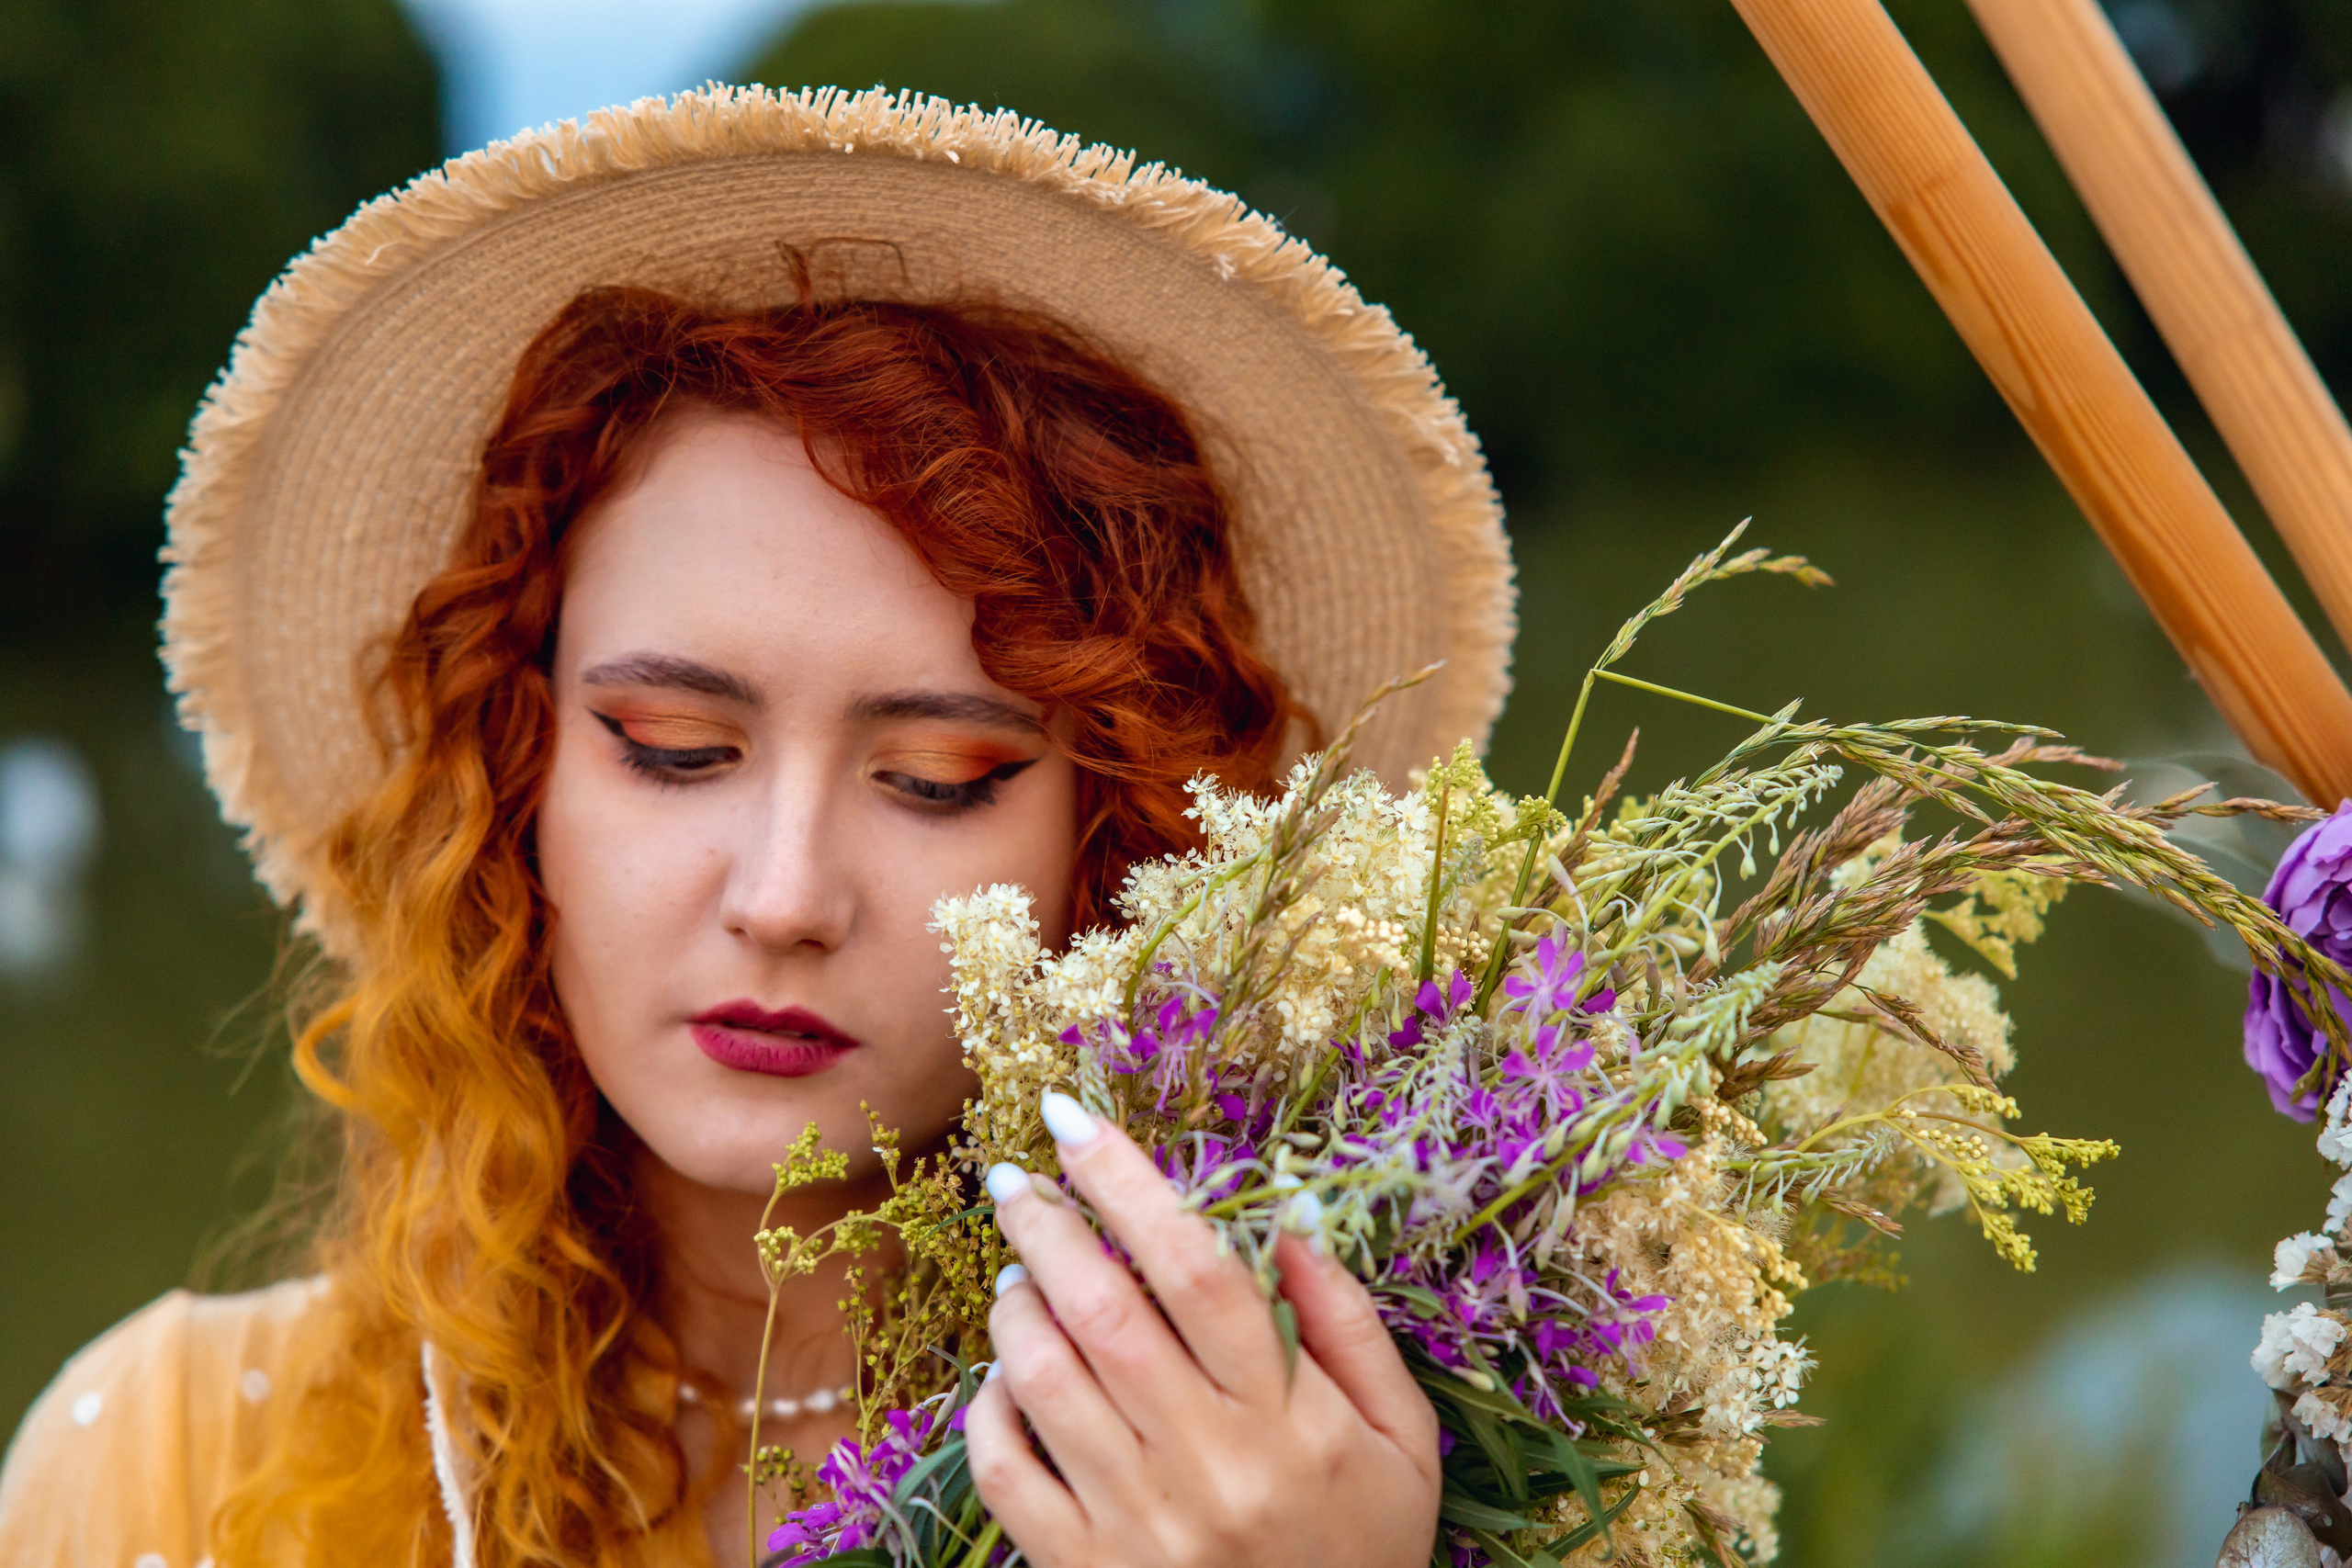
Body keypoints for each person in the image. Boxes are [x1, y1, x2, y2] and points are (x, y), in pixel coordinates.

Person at [0, 86, 1515, 1567]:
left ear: (1118, 847)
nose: (785, 896)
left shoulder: (1343, 1467)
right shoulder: (169, 1458)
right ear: (513, 775)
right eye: (674, 750)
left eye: (933, 776)